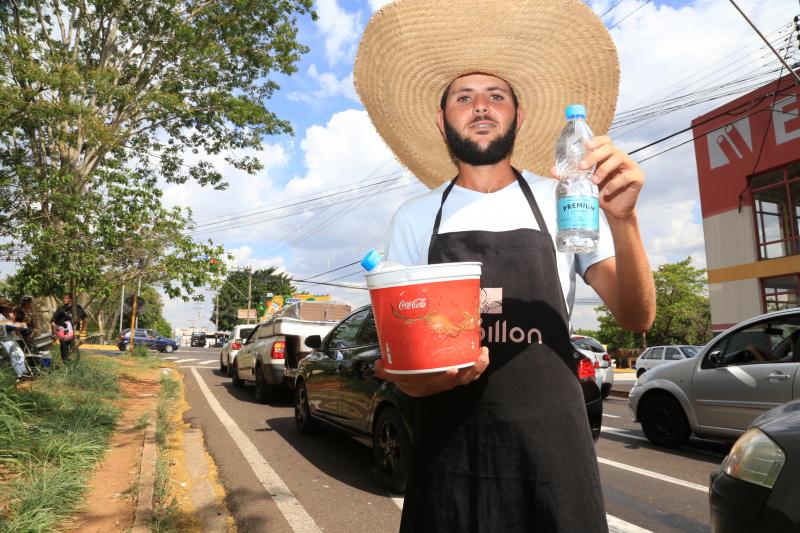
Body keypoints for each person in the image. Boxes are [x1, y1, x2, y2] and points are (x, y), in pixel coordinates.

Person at [353, 1, 656, 531]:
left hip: (553, 449)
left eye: (497, 96)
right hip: (448, 449)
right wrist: (421, 382)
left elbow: (636, 317)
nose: (481, 107)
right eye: (463, 97)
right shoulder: (415, 216)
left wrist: (625, 222)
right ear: (442, 117)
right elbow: (396, 357)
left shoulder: (567, 197)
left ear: (518, 115)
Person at [0, 299, 33, 380]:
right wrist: (17, 327)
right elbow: (5, 328)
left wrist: (19, 327)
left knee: (20, 355)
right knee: (15, 356)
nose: (9, 309)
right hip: (5, 340)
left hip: (10, 338)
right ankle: (20, 375)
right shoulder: (0, 316)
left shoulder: (6, 316)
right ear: (2, 308)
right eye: (7, 308)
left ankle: (24, 373)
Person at [50, 293, 86, 364]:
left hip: (74, 332)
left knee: (74, 350)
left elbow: (85, 319)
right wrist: (55, 333)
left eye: (66, 298)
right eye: (63, 298)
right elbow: (53, 322)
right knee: (64, 350)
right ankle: (66, 366)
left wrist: (81, 330)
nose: (64, 300)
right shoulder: (60, 309)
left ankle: (75, 366)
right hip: (63, 333)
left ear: (71, 299)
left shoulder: (77, 308)